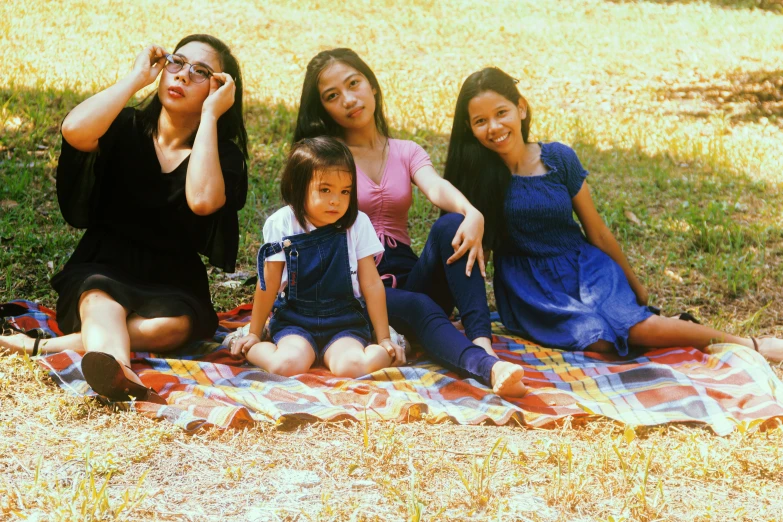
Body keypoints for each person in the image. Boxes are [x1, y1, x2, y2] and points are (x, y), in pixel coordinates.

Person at [443, 66, 783, 361]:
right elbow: (476, 255)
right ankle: (674, 330)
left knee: (632, 325)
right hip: (531, 287)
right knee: (600, 340)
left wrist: (636, 285)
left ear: (521, 108)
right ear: (470, 129)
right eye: (480, 121)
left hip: (584, 267)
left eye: (501, 112)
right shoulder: (478, 180)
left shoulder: (559, 159)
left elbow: (598, 232)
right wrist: (469, 319)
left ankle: (747, 343)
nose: (494, 126)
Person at [0, 35, 249, 403]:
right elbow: (74, 130)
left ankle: (47, 346)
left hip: (173, 276)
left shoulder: (220, 154)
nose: (181, 76)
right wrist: (135, 79)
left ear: (220, 89)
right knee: (101, 300)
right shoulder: (126, 125)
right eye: (176, 63)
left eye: (201, 72)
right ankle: (118, 371)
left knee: (173, 328)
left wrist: (211, 115)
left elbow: (201, 201)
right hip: (104, 261)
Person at [292, 49, 527, 397]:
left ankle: (482, 341)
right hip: (355, 285)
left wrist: (471, 212)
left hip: (408, 276)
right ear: (323, 108)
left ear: (371, 85)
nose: (348, 99)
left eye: (353, 84)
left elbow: (434, 186)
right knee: (419, 307)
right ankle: (485, 366)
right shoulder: (325, 158)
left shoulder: (405, 150)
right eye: (332, 96)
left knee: (452, 225)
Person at [229, 137, 405, 377]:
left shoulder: (357, 223)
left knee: (351, 367)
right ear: (297, 188)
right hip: (296, 319)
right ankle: (248, 340)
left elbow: (372, 283)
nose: (336, 200)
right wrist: (254, 331)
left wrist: (383, 336)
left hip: (344, 320)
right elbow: (268, 283)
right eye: (325, 189)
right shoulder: (282, 223)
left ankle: (393, 341)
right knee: (287, 365)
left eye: (345, 191)